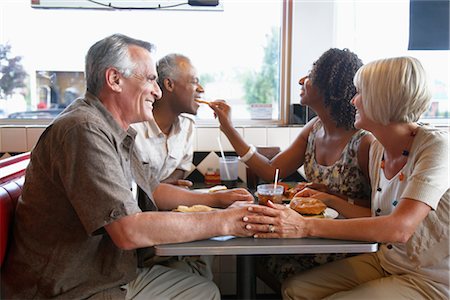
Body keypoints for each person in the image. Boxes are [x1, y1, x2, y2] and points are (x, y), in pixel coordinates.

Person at [1, 34, 260, 299]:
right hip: (70, 288)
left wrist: (218, 200)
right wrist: (225, 222)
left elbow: (154, 189)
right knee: (203, 292)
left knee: (196, 277)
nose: (158, 91)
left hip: (100, 273)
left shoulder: (112, 129)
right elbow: (128, 231)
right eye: (150, 79)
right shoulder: (84, 130)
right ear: (114, 79)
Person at [245, 56, 449, 299]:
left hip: (430, 278)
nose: (353, 100)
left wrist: (305, 226)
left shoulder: (436, 147)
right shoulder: (378, 149)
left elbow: (399, 228)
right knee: (295, 289)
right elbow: (378, 217)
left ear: (381, 98)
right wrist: (329, 199)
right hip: (387, 261)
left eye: (360, 92)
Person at [209, 48, 374, 289]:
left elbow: (376, 212)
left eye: (310, 74)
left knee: (259, 257)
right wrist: (228, 129)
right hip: (310, 238)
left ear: (328, 86)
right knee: (252, 256)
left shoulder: (364, 142)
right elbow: (271, 171)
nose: (301, 80)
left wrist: (331, 198)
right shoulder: (314, 128)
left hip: (345, 245)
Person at [132, 53, 203, 188]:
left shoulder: (187, 124)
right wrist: (161, 190)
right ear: (169, 84)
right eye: (194, 82)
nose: (201, 89)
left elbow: (181, 168)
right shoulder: (133, 128)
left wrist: (165, 187)